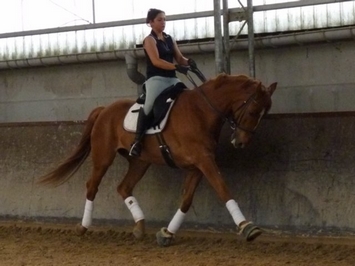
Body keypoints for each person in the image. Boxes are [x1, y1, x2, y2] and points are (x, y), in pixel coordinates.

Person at [129, 8, 197, 157]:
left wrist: (189, 62)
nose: (163, 22)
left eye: (164, 19)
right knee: (148, 105)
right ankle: (137, 142)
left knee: (187, 98)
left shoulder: (169, 39)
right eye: (159, 20)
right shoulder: (149, 40)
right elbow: (156, 61)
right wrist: (176, 67)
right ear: (150, 23)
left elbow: (179, 58)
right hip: (156, 79)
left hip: (172, 79)